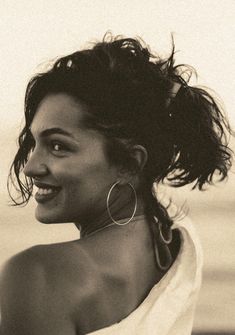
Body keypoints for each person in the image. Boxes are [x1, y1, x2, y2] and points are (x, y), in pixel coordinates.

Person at [0, 34, 233, 335]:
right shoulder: (177, 237)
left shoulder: (38, 274)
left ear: (130, 163)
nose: (31, 166)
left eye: (58, 146)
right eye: (34, 143)